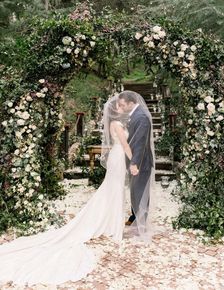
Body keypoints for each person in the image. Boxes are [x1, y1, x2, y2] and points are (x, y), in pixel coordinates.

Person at [0, 95, 131, 286]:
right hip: (119, 156)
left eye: (122, 106)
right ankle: (108, 222)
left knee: (114, 190)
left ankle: (110, 221)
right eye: (119, 107)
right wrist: (135, 160)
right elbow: (125, 144)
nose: (121, 108)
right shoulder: (117, 125)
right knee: (113, 189)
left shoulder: (118, 123)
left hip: (117, 157)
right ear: (114, 110)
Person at [118, 91, 154, 236]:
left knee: (140, 193)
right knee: (135, 192)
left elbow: (140, 143)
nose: (121, 107)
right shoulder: (135, 115)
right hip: (135, 161)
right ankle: (136, 221)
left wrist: (134, 163)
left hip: (141, 162)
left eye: (122, 104)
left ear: (131, 103)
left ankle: (141, 226)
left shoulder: (142, 117)